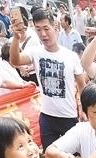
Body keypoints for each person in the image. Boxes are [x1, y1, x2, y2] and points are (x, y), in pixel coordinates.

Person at [10, 9, 86, 150]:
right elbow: (15, 60)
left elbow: (82, 86)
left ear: (55, 27)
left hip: (69, 116)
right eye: (38, 30)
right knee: (50, 156)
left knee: (74, 157)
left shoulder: (71, 56)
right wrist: (16, 37)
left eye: (46, 28)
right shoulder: (35, 52)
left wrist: (83, 109)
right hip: (47, 117)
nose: (43, 34)